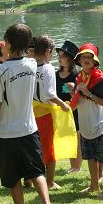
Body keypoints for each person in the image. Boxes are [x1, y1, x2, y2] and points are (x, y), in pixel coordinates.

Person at [0, 23, 54, 204]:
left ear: (8, 42)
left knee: (13, 178)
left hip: (6, 134)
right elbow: (18, 61)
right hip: (29, 130)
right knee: (36, 171)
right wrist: (10, 49)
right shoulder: (32, 65)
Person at [72, 43, 103, 196]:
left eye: (89, 57)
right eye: (83, 57)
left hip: (99, 125)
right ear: (79, 60)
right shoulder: (78, 77)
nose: (86, 60)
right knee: (90, 157)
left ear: (95, 61)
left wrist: (88, 93)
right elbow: (77, 101)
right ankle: (94, 185)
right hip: (85, 125)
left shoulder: (99, 78)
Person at [33, 35, 72, 189]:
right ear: (48, 51)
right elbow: (49, 94)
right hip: (44, 114)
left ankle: (31, 179)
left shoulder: (28, 65)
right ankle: (49, 182)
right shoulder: (47, 67)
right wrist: (63, 104)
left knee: (34, 147)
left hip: (31, 113)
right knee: (49, 148)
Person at [56, 40, 82, 173]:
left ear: (70, 59)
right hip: (60, 111)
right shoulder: (55, 74)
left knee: (76, 138)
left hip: (74, 110)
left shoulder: (77, 75)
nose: (59, 58)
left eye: (62, 56)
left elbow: (80, 94)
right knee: (67, 138)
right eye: (59, 55)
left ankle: (77, 167)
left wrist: (73, 91)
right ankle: (72, 166)